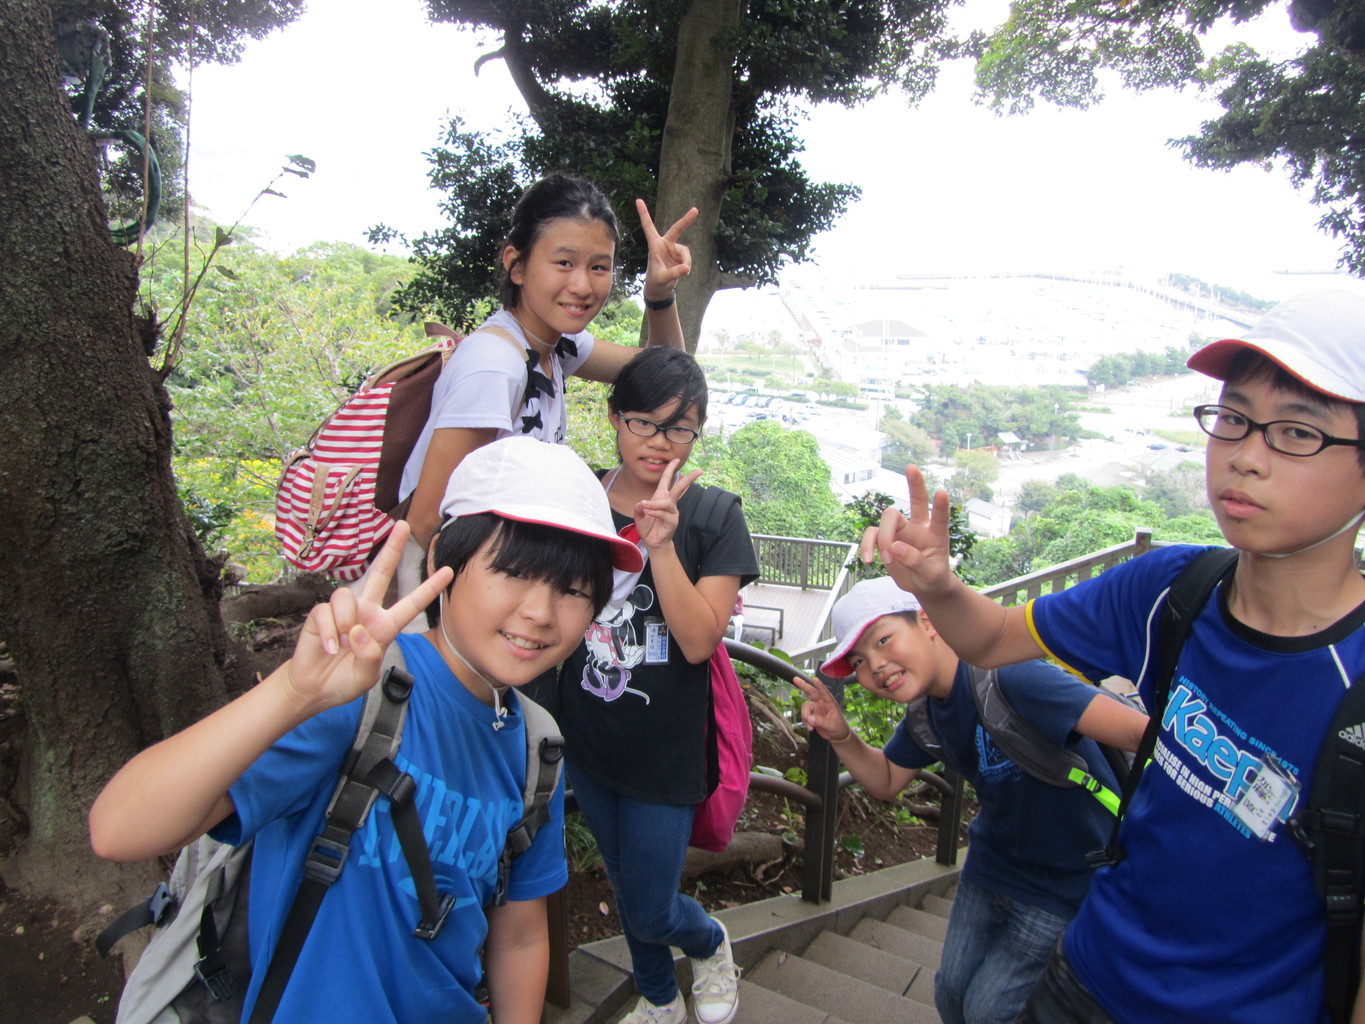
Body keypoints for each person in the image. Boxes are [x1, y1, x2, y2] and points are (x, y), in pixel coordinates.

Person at [862, 289, 1365, 1024]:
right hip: (1085, 972)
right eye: (1232, 418)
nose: (1245, 456)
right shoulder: (1172, 589)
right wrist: (937, 587)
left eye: (1296, 431)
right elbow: (992, 638)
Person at [89, 436, 645, 1024]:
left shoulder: (538, 746)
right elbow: (118, 830)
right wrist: (293, 694)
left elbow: (520, 932)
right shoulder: (357, 694)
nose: (540, 611)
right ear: (442, 561)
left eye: (573, 589)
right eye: (513, 571)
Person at [793, 575, 1147, 1024]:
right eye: (860, 661)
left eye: (883, 640)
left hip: (1064, 880)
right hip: (991, 866)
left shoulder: (1014, 677)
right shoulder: (926, 714)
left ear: (928, 622)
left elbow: (1140, 735)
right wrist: (841, 736)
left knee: (988, 1011)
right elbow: (886, 780)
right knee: (951, 995)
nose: (876, 665)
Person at [536, 347, 759, 1024]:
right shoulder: (575, 498)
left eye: (679, 428)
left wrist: (659, 545)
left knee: (653, 904)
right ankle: (660, 998)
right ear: (613, 418)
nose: (659, 442)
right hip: (588, 736)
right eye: (643, 422)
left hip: (668, 750)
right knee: (625, 881)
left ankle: (708, 941)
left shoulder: (715, 516)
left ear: (698, 431)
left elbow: (697, 641)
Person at [397, 174, 698, 577]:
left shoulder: (554, 345)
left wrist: (659, 296)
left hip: (493, 574)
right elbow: (425, 521)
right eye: (564, 263)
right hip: (441, 583)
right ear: (516, 265)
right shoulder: (495, 365)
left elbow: (666, 374)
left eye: (598, 267)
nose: (582, 285)